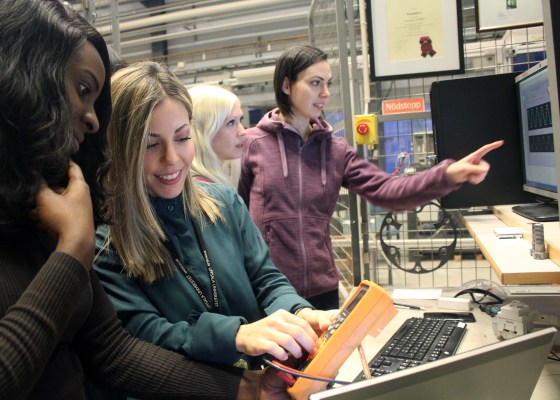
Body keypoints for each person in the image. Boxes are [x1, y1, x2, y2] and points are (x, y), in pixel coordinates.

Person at [0, 1, 291, 398]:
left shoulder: (43, 211)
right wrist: (73, 250)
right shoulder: (89, 236)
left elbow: (111, 350)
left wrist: (246, 389)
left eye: (183, 137)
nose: (92, 119)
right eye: (83, 91)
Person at [94, 61, 337, 371]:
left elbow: (265, 278)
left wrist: (301, 314)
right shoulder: (106, 244)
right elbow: (145, 333)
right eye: (150, 145)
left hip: (263, 381)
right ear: (119, 149)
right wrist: (235, 335)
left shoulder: (224, 203)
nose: (172, 158)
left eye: (182, 138)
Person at [238, 45, 504, 310]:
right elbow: (233, 217)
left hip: (321, 290)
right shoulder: (252, 144)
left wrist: (446, 174)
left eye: (328, 83)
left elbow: (388, 191)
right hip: (269, 289)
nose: (325, 93)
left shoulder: (335, 150)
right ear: (286, 85)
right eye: (315, 83)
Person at [189, 84, 245, 187]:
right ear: (205, 131)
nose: (242, 131)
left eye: (240, 120)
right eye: (231, 122)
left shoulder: (212, 183)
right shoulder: (206, 189)